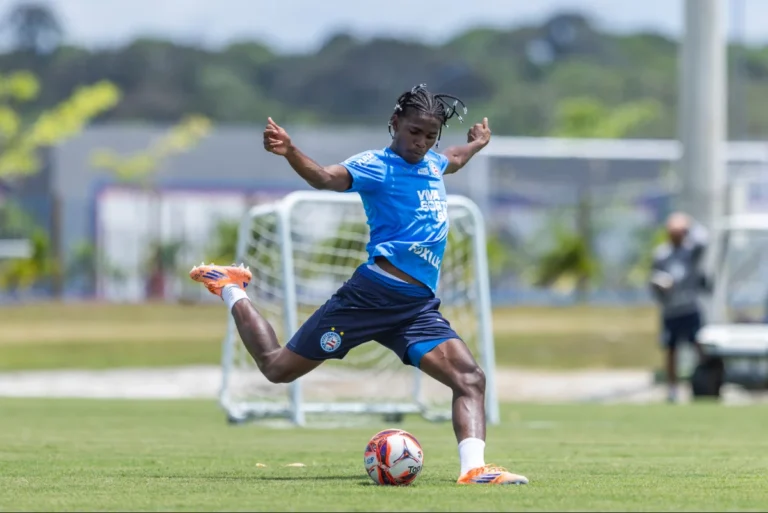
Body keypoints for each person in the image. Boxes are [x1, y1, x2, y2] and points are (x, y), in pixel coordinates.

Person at [189, 84, 528, 485]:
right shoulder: (375, 165)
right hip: (372, 296)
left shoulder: (433, 163)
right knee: (278, 369)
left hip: (416, 307)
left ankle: (473, 470)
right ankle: (232, 287)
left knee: (470, 378)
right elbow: (325, 177)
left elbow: (454, 157)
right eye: (414, 132)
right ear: (394, 123)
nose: (420, 143)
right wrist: (291, 151)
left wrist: (476, 144)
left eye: (429, 136)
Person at [649, 212, 710, 403]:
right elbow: (653, 279)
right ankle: (673, 389)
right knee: (671, 350)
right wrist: (661, 285)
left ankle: (706, 383)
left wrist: (689, 223)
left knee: (699, 346)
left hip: (690, 308)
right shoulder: (661, 254)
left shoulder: (691, 251)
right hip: (671, 310)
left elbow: (705, 239)